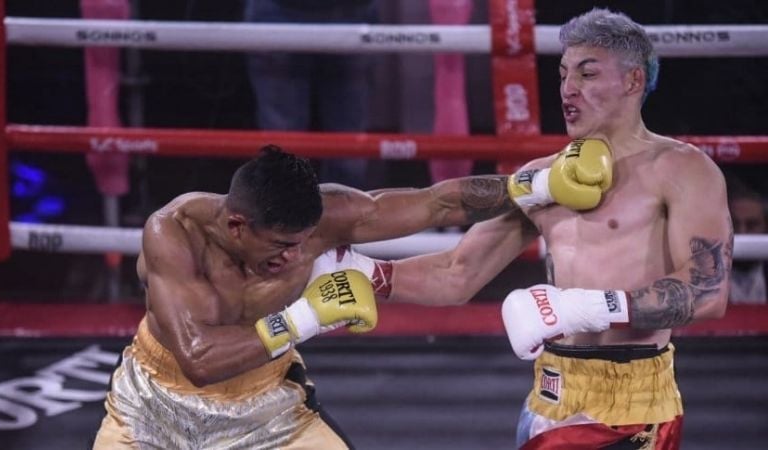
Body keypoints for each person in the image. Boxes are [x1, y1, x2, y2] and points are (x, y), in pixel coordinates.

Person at [358, 8, 732, 449]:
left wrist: (581, 309)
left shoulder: (682, 169)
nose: (569, 88)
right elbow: (456, 272)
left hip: (635, 404)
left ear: (633, 81)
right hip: (550, 396)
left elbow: (707, 293)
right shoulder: (543, 177)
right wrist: (360, 274)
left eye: (587, 74)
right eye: (563, 74)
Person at [92, 142, 607, 448]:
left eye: (303, 243)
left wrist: (536, 186)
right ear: (236, 225)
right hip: (154, 410)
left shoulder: (325, 219)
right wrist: (306, 316)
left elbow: (437, 204)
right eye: (281, 246)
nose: (297, 257)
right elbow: (199, 359)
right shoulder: (174, 234)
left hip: (266, 405)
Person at [243, 0, 377, 190]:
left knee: (348, 150)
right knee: (282, 146)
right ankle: (285, 208)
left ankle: (341, 210)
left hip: (353, 13)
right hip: (278, 13)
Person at [727, 176, 767, 304]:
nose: (742, 232)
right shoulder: (706, 276)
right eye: (734, 223)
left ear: (766, 226)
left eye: (752, 224)